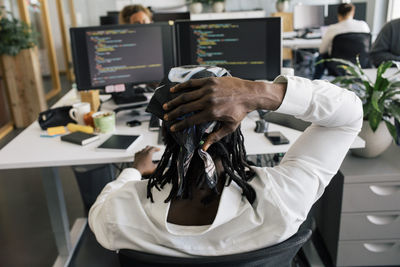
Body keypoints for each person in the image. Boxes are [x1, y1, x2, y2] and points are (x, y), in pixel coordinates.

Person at [89, 71, 363, 256]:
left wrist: (134, 171)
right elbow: (348, 115)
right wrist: (255, 92)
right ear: (234, 124)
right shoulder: (284, 198)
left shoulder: (119, 213)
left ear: (166, 132)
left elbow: (101, 205)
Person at [313, 3, 370, 79]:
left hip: (337, 65)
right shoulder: (363, 25)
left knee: (319, 58)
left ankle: (315, 82)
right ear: (352, 13)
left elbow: (322, 50)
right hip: (360, 63)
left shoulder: (332, 28)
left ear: (338, 14)